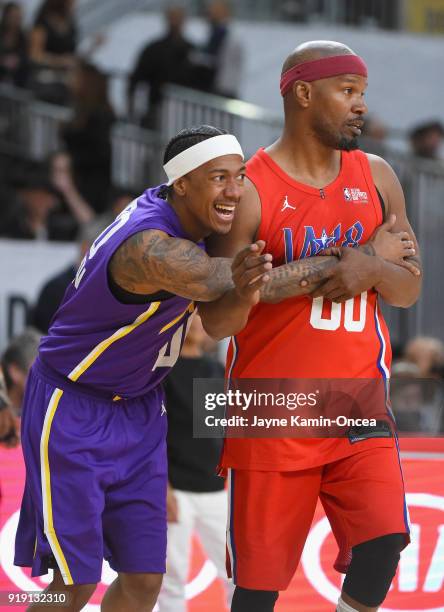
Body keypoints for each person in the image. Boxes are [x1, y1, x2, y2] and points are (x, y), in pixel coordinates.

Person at [13, 124, 274, 612]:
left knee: (145, 581)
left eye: (240, 177)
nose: (235, 191)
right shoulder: (148, 245)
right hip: (73, 406)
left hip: (140, 408)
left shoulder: (195, 222)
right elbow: (230, 278)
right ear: (183, 184)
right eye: (219, 178)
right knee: (74, 585)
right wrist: (357, 262)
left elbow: (222, 319)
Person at [203, 41, 422, 612]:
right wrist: (326, 269)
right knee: (257, 592)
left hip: (358, 403)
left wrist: (371, 266)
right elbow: (215, 318)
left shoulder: (376, 176)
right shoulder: (249, 189)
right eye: (347, 91)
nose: (361, 106)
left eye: (362, 94)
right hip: (271, 409)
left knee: (385, 542)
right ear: (303, 93)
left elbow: (408, 287)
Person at [157, 314, 232, 611]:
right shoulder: (164, 374)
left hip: (215, 488)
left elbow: (218, 431)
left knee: (235, 573)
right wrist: (164, 486)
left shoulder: (216, 370)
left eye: (205, 317)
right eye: (195, 317)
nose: (200, 323)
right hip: (176, 489)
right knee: (171, 577)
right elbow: (155, 435)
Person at [61, 60, 115, 213]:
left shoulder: (100, 115)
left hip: (91, 183)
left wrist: (71, 160)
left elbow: (100, 152)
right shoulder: (79, 110)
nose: (70, 81)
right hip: (77, 177)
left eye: (74, 76)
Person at [128, 6, 195, 128]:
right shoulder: (153, 49)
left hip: (186, 113)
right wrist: (132, 109)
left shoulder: (192, 50)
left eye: (178, 19)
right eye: (172, 18)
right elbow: (135, 79)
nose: (175, 22)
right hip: (157, 108)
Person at [0, 2, 29, 87]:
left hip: (15, 77)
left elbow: (25, 57)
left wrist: (18, 61)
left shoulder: (22, 37)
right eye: (13, 17)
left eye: (18, 17)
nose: (15, 20)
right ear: (6, 16)